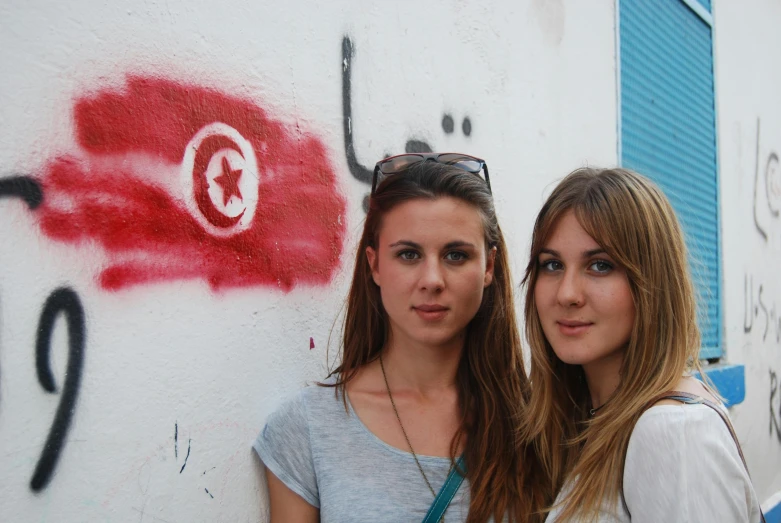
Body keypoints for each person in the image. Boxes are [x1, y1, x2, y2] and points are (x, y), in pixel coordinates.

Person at [254, 154, 539, 522]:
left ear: (488, 267)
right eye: (408, 254)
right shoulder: (308, 428)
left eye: (456, 255)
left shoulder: (532, 425)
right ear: (374, 265)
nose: (432, 279)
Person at [521, 167, 763, 522]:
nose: (567, 293)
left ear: (652, 283)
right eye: (552, 264)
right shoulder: (587, 415)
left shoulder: (674, 434)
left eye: (600, 266)